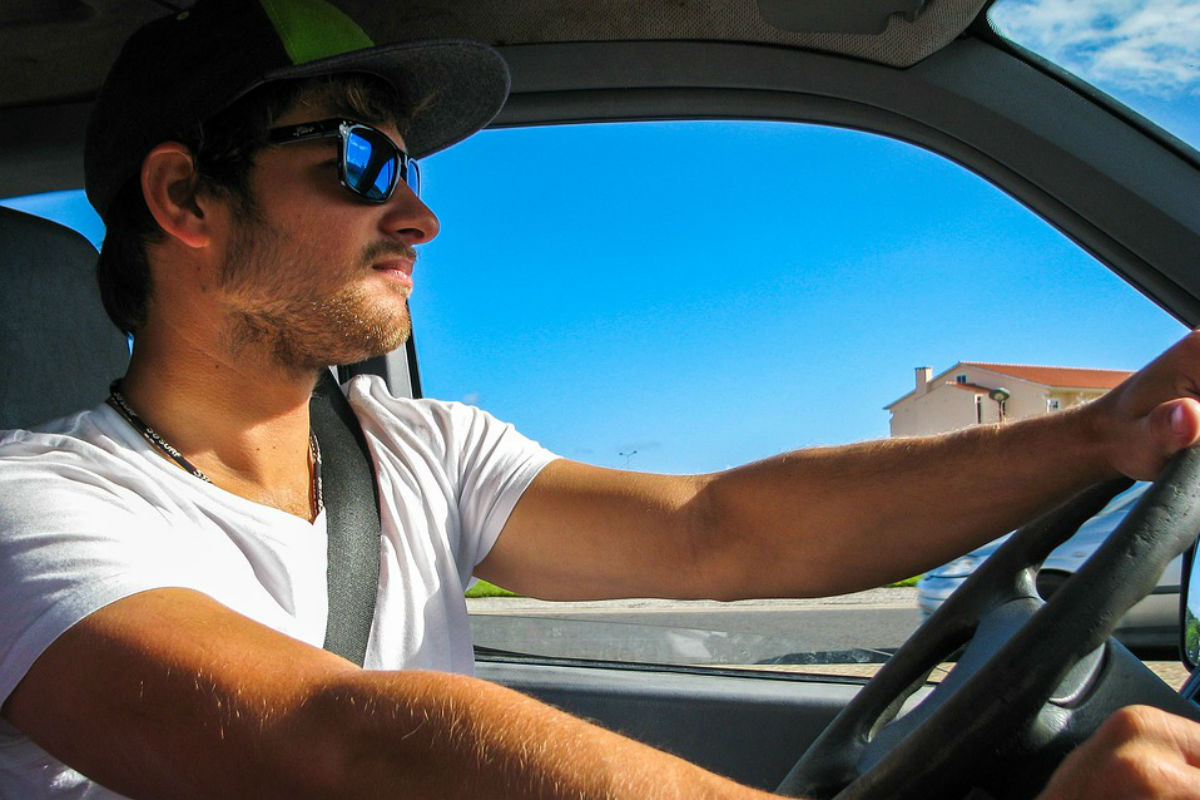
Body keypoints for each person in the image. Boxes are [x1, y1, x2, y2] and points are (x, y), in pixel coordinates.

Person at [1, 0, 1199, 797]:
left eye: (412, 165)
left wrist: (1107, 433)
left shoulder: (420, 448)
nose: (420, 213)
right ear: (186, 199)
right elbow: (339, 740)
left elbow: (718, 525)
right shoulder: (32, 508)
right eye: (362, 160)